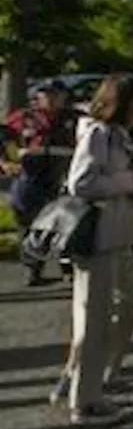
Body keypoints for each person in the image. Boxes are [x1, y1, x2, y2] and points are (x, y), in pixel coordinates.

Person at [61, 74, 133, 426]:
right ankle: (85, 400)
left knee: (128, 308)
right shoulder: (98, 133)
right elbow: (80, 181)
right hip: (95, 236)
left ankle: (93, 374)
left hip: (120, 235)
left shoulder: (128, 135)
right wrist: (128, 181)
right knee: (94, 317)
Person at [7, 80, 80, 286]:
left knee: (67, 224)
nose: (51, 98)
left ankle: (68, 268)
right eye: (45, 94)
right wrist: (6, 163)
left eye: (56, 94)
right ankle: (33, 269)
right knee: (29, 224)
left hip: (63, 176)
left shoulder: (75, 118)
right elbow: (3, 139)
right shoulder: (23, 118)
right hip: (30, 178)